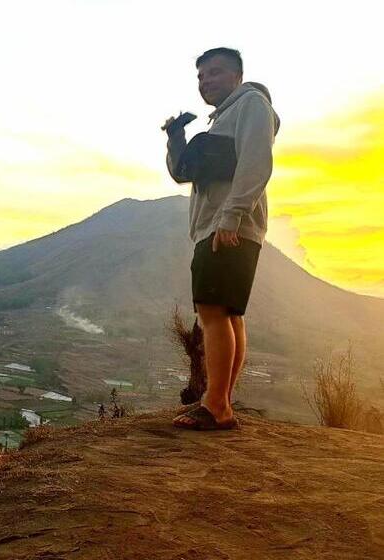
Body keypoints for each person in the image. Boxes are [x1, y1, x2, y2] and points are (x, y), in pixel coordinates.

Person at [164, 47, 280, 430]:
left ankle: (216, 406)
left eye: (214, 73)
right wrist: (175, 138)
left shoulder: (251, 105)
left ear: (236, 76)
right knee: (229, 314)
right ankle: (221, 402)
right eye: (200, 76)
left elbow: (256, 161)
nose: (205, 81)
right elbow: (186, 173)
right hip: (223, 224)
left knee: (212, 312)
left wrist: (230, 216)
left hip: (228, 224)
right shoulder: (221, 121)